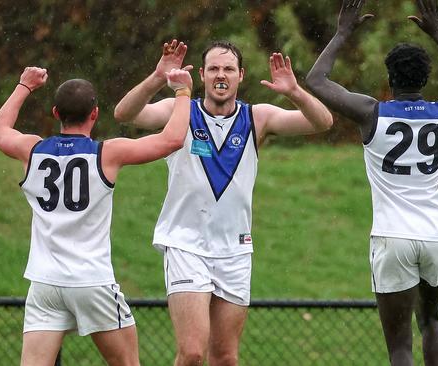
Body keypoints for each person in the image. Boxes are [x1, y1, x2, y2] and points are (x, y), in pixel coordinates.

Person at [114, 40, 333, 366]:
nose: (221, 75)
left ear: (241, 75)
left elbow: (322, 122)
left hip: (234, 249)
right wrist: (158, 77)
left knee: (226, 357)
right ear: (201, 74)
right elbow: (125, 114)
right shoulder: (181, 110)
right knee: (191, 353)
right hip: (186, 244)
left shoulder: (258, 117)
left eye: (228, 69)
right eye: (214, 68)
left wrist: (294, 92)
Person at [306, 0, 438, 365]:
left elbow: (316, 79)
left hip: (393, 237)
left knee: (400, 345)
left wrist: (342, 33)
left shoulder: (372, 113)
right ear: (426, 79)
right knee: (431, 321)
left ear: (389, 80)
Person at [0, 65, 193, 366]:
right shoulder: (106, 153)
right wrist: (183, 91)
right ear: (95, 114)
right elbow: (171, 140)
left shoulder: (32, 150)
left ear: (56, 113)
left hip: (44, 283)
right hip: (90, 280)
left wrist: (24, 85)